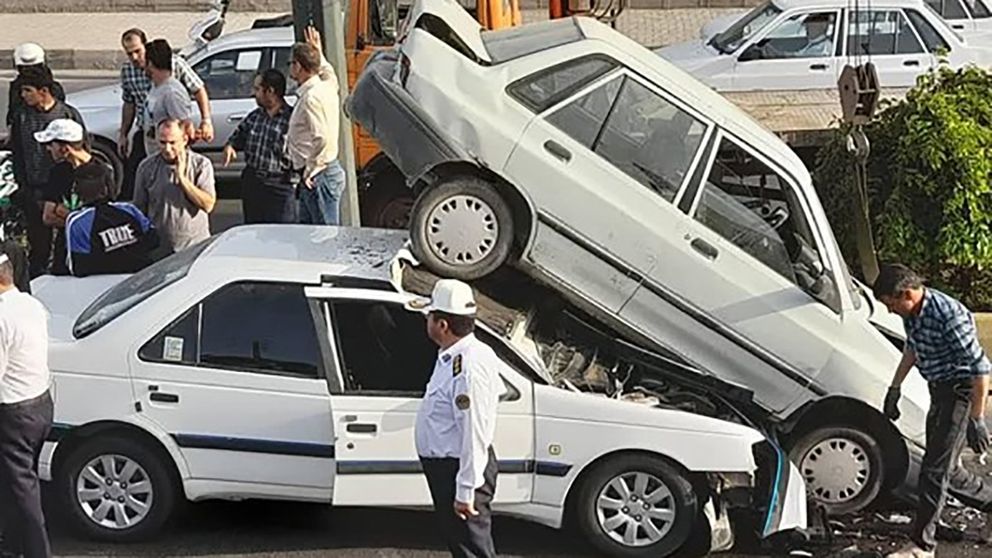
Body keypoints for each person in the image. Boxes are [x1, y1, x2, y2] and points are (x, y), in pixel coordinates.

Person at [876, 264, 992, 558]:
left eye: (890, 305)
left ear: (906, 294)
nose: (890, 312)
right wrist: (894, 387)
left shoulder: (947, 315)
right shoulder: (913, 314)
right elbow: (912, 349)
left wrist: (977, 418)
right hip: (940, 391)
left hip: (961, 393)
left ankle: (922, 545)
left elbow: (980, 369)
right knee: (948, 470)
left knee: (934, 471)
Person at [407, 279, 506, 558]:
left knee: (471, 549)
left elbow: (475, 429)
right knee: (462, 544)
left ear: (442, 325)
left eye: (429, 316)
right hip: (451, 469)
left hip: (459, 470)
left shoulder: (468, 368)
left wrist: (465, 490)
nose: (426, 321)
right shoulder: (456, 357)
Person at [0, 252, 54, 558]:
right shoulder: (31, 305)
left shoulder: (1, 317)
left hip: (13, 414)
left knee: (22, 490)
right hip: (41, 404)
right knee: (15, 482)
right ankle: (11, 544)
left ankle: (36, 551)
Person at [8, 67, 85, 278]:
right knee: (38, 244)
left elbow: (82, 151)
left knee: (65, 239)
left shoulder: (67, 115)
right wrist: (23, 186)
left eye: (27, 90)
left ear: (43, 91)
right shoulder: (22, 117)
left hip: (63, 191)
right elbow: (18, 153)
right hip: (34, 189)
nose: (23, 96)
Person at [119, 28, 211, 200]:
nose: (135, 58)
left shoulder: (171, 89)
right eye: (129, 53)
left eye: (138, 52)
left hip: (166, 151)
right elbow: (129, 103)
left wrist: (205, 122)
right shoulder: (152, 83)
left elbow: (184, 125)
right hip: (150, 143)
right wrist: (124, 133)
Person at [35, 118, 117, 276]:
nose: (47, 149)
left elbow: (105, 217)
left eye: (50, 144)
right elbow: (48, 217)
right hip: (64, 249)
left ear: (64, 148)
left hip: (94, 249)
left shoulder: (103, 172)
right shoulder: (57, 172)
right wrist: (83, 220)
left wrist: (64, 212)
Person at [286, 27, 345, 225]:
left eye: (292, 64)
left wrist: (312, 168)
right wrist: (319, 53)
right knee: (310, 237)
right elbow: (329, 74)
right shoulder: (325, 86)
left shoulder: (312, 97)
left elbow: (322, 138)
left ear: (299, 67)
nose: (290, 69)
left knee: (324, 238)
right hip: (319, 173)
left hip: (320, 175)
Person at [223, 69, 296, 224]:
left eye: (257, 89)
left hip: (279, 184)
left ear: (270, 91)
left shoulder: (292, 120)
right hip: (254, 181)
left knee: (282, 234)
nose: (253, 93)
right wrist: (230, 146)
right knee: (253, 229)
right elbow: (238, 135)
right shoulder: (255, 116)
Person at [133, 119, 216, 253]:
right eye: (162, 142)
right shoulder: (146, 167)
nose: (167, 149)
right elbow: (138, 210)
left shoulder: (201, 164)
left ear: (184, 139)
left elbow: (208, 205)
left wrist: (183, 179)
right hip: (159, 249)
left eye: (172, 143)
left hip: (193, 247)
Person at [65, 163, 158, 276]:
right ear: (108, 187)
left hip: (101, 286)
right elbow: (154, 240)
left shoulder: (77, 222)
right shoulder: (129, 210)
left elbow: (77, 267)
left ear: (76, 190)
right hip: (139, 278)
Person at [141, 39, 196, 160]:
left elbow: (185, 129)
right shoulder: (157, 87)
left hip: (171, 162)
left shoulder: (172, 93)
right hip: (156, 159)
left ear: (150, 63)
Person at [6, 43, 65, 129]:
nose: (24, 94)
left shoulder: (17, 86)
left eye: (28, 91)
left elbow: (13, 115)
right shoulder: (54, 86)